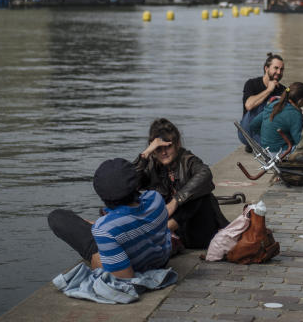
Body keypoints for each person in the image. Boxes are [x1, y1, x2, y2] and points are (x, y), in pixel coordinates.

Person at [48, 158, 171, 278]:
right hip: (161, 259)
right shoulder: (156, 198)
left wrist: (98, 256)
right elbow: (136, 216)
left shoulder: (104, 229)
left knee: (57, 217)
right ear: (136, 185)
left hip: (136, 266)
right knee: (106, 226)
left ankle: (97, 248)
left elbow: (125, 278)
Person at [133, 119, 229, 249]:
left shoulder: (188, 160)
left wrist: (176, 201)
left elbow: (205, 174)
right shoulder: (151, 164)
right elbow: (129, 184)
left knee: (199, 194)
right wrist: (145, 154)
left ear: (177, 144)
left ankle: (165, 229)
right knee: (142, 198)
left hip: (198, 230)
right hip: (173, 231)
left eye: (168, 146)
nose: (163, 152)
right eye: (158, 148)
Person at [238, 53, 286, 150]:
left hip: (269, 132)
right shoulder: (251, 84)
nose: (279, 72)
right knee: (268, 104)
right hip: (248, 130)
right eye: (276, 68)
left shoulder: (283, 90)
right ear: (266, 68)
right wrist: (269, 90)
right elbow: (249, 106)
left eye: (281, 70)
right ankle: (255, 143)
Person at [259, 82, 303, 152]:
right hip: (282, 153)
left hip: (265, 153)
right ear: (300, 101)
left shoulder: (272, 105)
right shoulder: (295, 114)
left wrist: (267, 139)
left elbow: (253, 125)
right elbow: (299, 141)